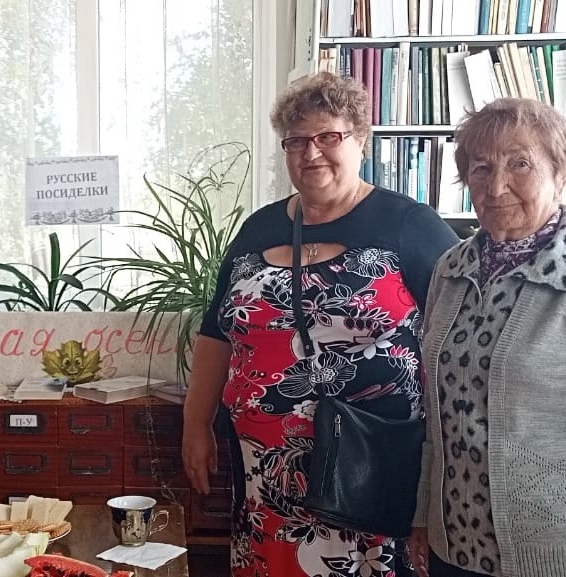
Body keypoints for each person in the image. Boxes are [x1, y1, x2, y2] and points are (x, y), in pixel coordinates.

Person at [181, 71, 459, 577]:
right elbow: (216, 333)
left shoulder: (409, 226)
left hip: (370, 466)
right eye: (296, 141)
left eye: (328, 136)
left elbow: (458, 335)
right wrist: (195, 425)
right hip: (266, 473)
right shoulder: (259, 228)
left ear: (360, 139)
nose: (311, 153)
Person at [409, 98, 566, 577]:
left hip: (548, 550)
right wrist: (422, 516)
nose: (496, 187)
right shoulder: (450, 268)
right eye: (481, 168)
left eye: (520, 164)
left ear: (559, 173)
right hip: (453, 543)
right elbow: (433, 412)